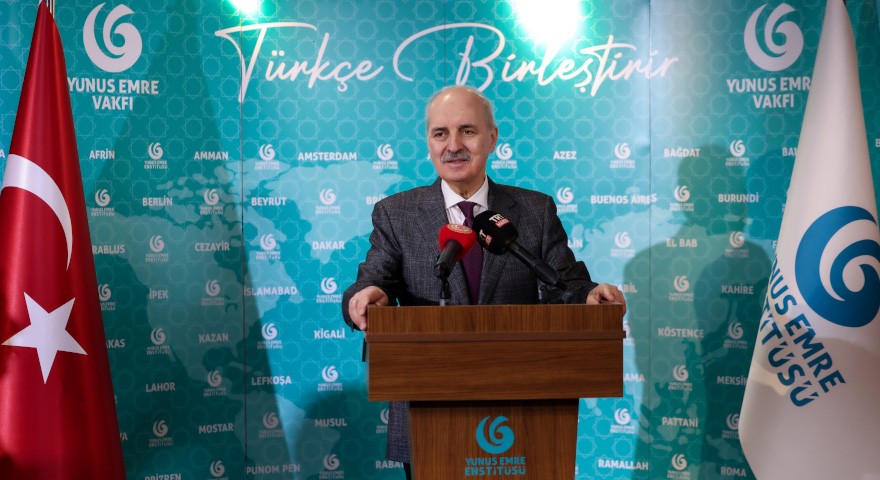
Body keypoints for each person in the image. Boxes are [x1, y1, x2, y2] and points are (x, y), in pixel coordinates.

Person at [342, 85, 625, 479]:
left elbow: (566, 284)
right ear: (429, 143)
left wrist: (591, 296)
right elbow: (374, 281)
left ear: (492, 139)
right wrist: (366, 296)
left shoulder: (535, 210)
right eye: (440, 133)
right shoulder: (397, 213)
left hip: (524, 412)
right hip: (428, 414)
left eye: (467, 131)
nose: (453, 145)